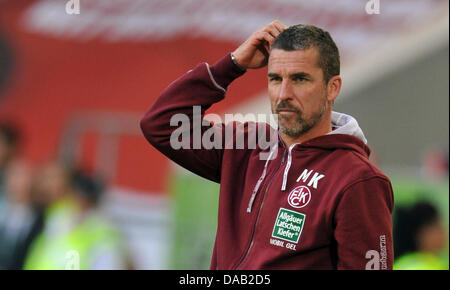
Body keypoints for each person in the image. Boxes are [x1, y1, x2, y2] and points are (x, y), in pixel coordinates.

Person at [140, 21, 394, 269]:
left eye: (300, 79)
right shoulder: (247, 146)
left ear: (332, 88)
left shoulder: (359, 180)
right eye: (275, 79)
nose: (284, 94)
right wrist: (231, 65)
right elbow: (161, 124)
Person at [393, 201, 447, 270]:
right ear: (419, 234)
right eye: (436, 225)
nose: (443, 230)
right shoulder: (424, 266)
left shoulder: (401, 263)